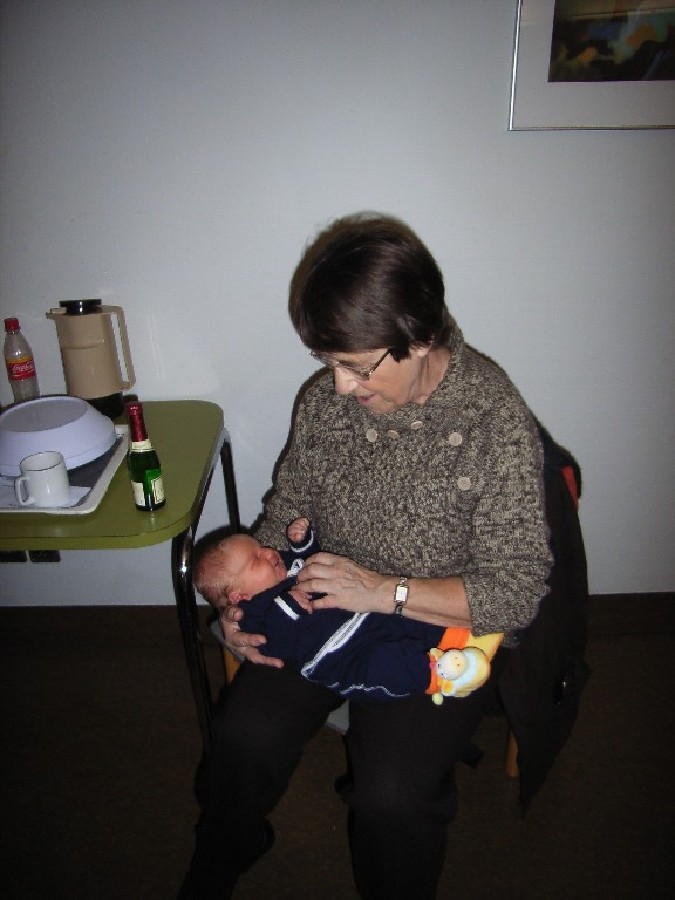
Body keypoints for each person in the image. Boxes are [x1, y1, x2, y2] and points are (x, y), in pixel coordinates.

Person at [178, 212, 552, 900]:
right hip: (319, 597)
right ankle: (227, 847)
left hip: (430, 625)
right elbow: (284, 511)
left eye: (355, 366)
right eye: (328, 364)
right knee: (243, 737)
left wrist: (384, 591)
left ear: (421, 337)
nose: (339, 387)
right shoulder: (325, 405)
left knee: (391, 795)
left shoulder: (494, 422)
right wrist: (238, 602)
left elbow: (515, 591)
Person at [194, 518, 502, 702]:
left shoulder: (281, 569)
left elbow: (311, 559)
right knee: (385, 666)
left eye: (262, 547)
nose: (269, 551)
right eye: (256, 559)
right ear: (240, 595)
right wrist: (283, 607)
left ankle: (458, 639)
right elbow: (278, 641)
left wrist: (302, 543)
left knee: (409, 620)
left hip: (361, 615)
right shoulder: (257, 612)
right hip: (339, 658)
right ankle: (438, 674)